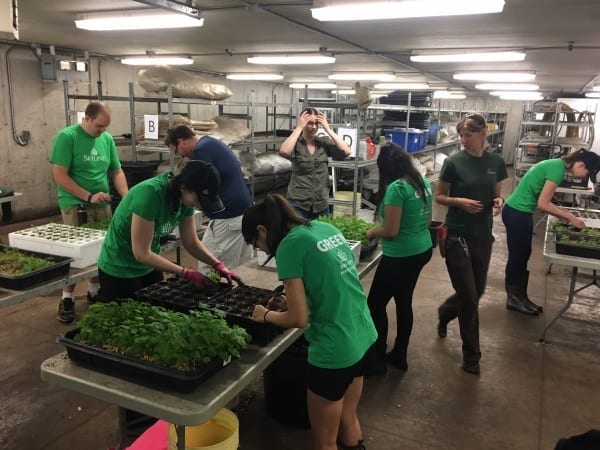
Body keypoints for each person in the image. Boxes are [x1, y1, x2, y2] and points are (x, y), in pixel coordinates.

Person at [242, 194, 376, 450]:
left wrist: (266, 315)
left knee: (324, 442)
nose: (260, 249)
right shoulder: (321, 227)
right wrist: (292, 301)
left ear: (262, 229)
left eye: (255, 242)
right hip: (363, 334)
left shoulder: (288, 246)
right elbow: (331, 284)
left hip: (334, 351)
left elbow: (298, 319)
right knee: (348, 421)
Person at [97, 160, 240, 302]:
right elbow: (141, 253)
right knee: (127, 319)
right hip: (119, 267)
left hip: (148, 264)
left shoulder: (185, 198)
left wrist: (217, 264)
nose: (200, 205)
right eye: (199, 199)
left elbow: (190, 241)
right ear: (183, 188)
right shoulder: (149, 194)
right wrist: (185, 272)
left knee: (156, 311)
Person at [434, 113, 508, 375]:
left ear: (482, 134)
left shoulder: (495, 163)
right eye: (461, 135)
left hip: (482, 237)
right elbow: (440, 196)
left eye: (469, 135)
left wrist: (498, 203)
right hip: (457, 236)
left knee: (477, 291)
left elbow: (496, 196)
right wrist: (460, 202)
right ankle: (472, 355)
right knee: (469, 297)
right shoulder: (453, 163)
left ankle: (445, 312)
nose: (464, 140)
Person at [50, 100, 129, 324]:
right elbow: (59, 176)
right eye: (99, 126)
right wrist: (87, 196)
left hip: (101, 203)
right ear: (87, 118)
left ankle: (94, 290)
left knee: (102, 249)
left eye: (105, 127)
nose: (102, 130)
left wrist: (127, 197)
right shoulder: (67, 137)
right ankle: (67, 298)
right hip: (76, 204)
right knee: (76, 253)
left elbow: (116, 171)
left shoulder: (105, 139)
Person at [502, 148, 600, 315]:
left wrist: (561, 213)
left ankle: (520, 296)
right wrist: (569, 217)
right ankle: (513, 299)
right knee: (517, 256)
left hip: (520, 210)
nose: (584, 178)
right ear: (581, 164)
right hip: (517, 212)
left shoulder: (557, 165)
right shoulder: (557, 169)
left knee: (524, 254)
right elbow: (543, 204)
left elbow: (544, 198)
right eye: (586, 173)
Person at [364, 143, 433, 375]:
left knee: (375, 304)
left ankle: (378, 357)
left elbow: (391, 231)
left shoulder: (397, 188)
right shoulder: (421, 182)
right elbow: (427, 219)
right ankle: (400, 355)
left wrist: (373, 232)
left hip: (400, 255)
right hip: (421, 249)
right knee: (404, 301)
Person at [165, 125, 253, 272]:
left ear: (181, 142)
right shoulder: (210, 142)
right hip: (238, 212)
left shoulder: (201, 151)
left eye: (176, 151)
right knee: (215, 263)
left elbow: (197, 186)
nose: (181, 155)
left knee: (224, 268)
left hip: (229, 215)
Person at [280, 107, 352, 219]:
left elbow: (347, 151)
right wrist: (298, 128)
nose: (313, 127)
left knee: (322, 234)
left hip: (321, 202)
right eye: (309, 123)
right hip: (298, 202)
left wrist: (328, 129)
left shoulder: (323, 143)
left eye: (316, 124)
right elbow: (284, 151)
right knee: (300, 234)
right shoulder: (296, 143)